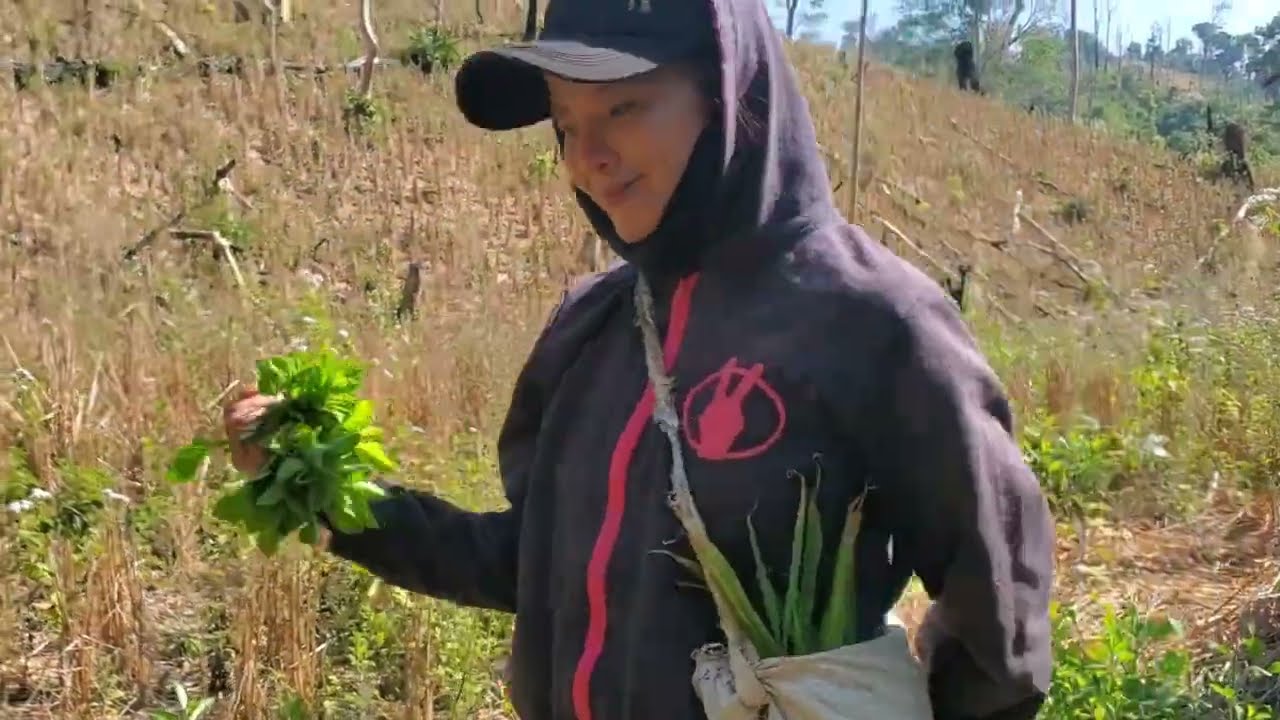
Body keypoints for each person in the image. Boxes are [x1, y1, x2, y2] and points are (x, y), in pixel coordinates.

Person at [223, 0, 1056, 717]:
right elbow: (535, 561)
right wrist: (325, 496)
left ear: (731, 98)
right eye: (565, 125)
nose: (588, 155)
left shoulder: (875, 322)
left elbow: (997, 606)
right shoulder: (594, 327)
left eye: (622, 108)